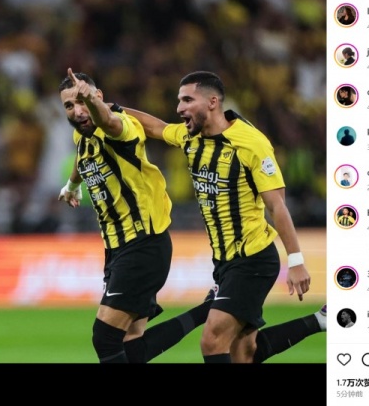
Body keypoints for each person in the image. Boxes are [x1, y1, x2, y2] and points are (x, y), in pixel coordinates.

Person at [121, 71, 327, 363]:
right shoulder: (190, 137)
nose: (179, 107)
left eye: (187, 100)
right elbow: (157, 127)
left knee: (213, 339)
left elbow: (277, 205)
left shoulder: (251, 143)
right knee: (244, 353)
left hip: (254, 260)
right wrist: (109, 109)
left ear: (212, 102)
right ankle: (320, 320)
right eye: (179, 100)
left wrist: (295, 261)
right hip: (224, 262)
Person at [56, 69, 212, 363]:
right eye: (69, 105)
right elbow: (82, 151)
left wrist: (93, 104)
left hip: (142, 244)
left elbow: (109, 121)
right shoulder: (83, 134)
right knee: (131, 345)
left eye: (82, 101)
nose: (77, 111)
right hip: (117, 249)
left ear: (98, 97)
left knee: (104, 337)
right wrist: (72, 184)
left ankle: (206, 310)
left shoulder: (120, 127)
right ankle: (206, 310)